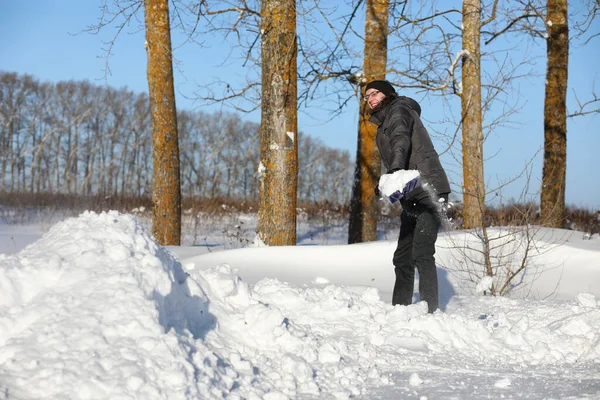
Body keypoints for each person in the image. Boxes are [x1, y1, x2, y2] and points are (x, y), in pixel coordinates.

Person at [365, 80, 451, 313]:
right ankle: (400, 310)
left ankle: (430, 311)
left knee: (422, 252)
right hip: (412, 190)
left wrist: (394, 172)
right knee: (403, 257)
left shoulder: (399, 109)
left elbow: (401, 141)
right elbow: (397, 149)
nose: (370, 98)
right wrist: (387, 182)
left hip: (429, 189)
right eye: (367, 96)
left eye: (375, 93)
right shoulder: (385, 122)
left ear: (388, 94)